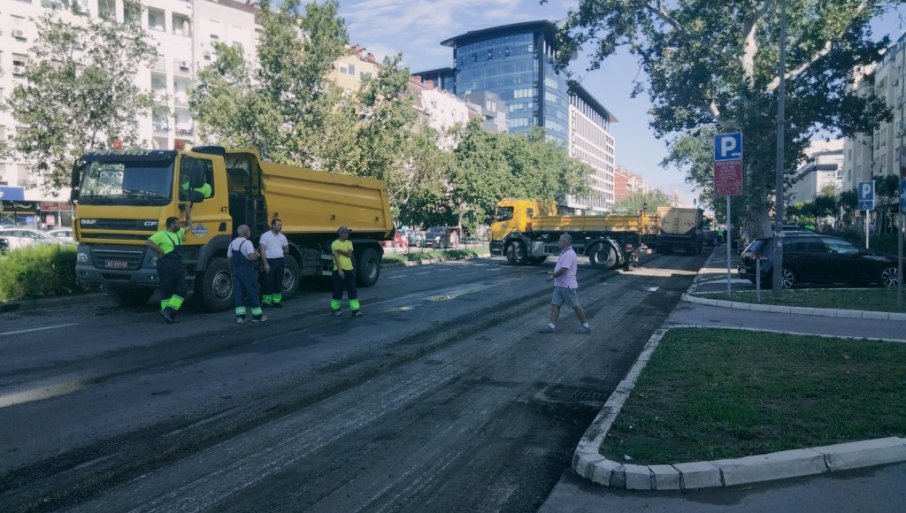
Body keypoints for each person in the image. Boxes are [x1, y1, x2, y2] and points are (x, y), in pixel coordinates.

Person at [145, 204, 192, 324]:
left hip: (177, 264)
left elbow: (189, 226)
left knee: (182, 289)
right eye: (177, 223)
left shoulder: (179, 233)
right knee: (167, 290)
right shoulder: (161, 234)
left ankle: (167, 311)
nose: (179, 225)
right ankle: (169, 315)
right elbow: (148, 242)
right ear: (171, 224)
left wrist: (188, 212)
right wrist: (160, 251)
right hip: (166, 265)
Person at [539, 233, 591, 334]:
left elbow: (564, 269)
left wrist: (552, 276)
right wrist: (552, 273)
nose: (558, 242)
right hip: (560, 284)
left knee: (575, 305)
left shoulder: (569, 254)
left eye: (560, 240)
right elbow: (561, 267)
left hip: (567, 285)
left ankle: (586, 326)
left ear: (565, 242)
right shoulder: (564, 252)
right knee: (555, 305)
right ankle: (551, 326)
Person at [228, 224, 267, 324]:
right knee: (253, 292)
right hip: (247, 271)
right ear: (246, 233)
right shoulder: (247, 243)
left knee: (239, 294)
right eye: (249, 231)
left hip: (237, 270)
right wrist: (257, 255)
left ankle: (240, 317)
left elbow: (229, 258)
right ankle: (257, 317)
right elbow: (251, 257)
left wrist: (232, 270)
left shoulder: (232, 243)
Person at [330, 226, 361, 317]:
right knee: (338, 290)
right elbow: (336, 258)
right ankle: (335, 309)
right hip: (339, 270)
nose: (347, 234)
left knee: (352, 289)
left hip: (349, 269)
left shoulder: (349, 243)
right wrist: (340, 270)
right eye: (346, 232)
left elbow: (349, 254)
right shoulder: (334, 244)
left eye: (348, 232)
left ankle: (355, 310)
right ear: (340, 234)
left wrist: (339, 250)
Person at [259, 218, 289, 308]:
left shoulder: (282, 237)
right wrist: (265, 264)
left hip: (280, 261)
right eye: (278, 225)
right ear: (272, 225)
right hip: (269, 261)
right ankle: (266, 301)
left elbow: (287, 249)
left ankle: (276, 301)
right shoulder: (265, 236)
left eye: (281, 225)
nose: (280, 226)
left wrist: (280, 252)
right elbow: (262, 250)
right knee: (267, 281)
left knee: (278, 281)